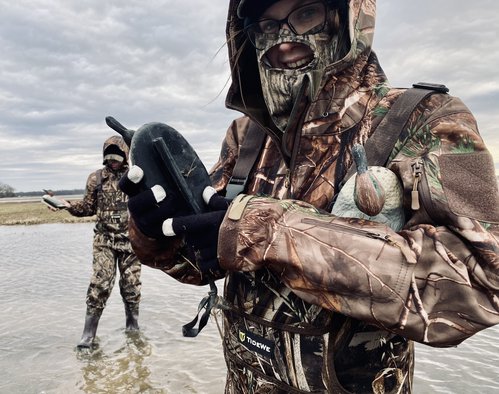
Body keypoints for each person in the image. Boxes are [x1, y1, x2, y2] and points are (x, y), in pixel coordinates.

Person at [119, 0, 499, 392]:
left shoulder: (426, 118)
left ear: (347, 18)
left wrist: (269, 232)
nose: (283, 41)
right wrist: (155, 233)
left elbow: (481, 283)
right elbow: (204, 264)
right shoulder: (244, 136)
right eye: (265, 25)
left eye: (304, 14)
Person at [62, 135, 142, 349]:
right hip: (104, 241)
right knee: (99, 284)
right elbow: (87, 208)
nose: (112, 162)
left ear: (125, 156)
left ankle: (133, 329)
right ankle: (88, 335)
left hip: (131, 243)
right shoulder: (96, 178)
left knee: (131, 287)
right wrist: (67, 205)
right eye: (109, 158)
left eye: (116, 157)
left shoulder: (136, 177)